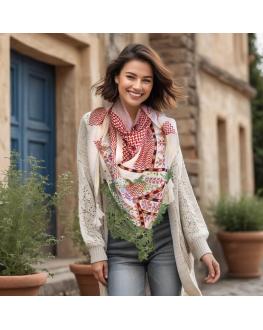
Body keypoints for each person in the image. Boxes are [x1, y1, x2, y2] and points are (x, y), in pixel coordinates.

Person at [77, 43, 220, 296]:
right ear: (116, 77)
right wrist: (96, 249)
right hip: (120, 247)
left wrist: (202, 247)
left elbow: (183, 188)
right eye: (131, 77)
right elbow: (87, 187)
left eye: (146, 80)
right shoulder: (94, 124)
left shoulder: (166, 127)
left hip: (165, 242)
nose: (137, 86)